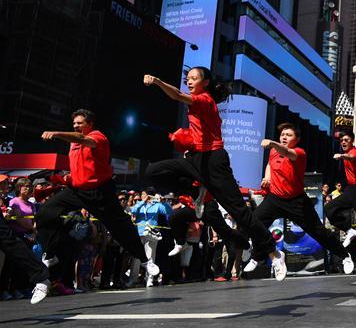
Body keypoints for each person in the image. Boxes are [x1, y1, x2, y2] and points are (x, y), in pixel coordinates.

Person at [142, 68, 283, 279]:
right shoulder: (198, 100)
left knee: (239, 213)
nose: (189, 82)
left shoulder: (205, 100)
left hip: (214, 160)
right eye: (187, 79)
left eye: (194, 79)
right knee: (153, 172)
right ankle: (195, 191)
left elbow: (178, 95)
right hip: (196, 159)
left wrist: (158, 81)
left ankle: (274, 254)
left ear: (205, 82)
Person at [37, 109, 160, 281]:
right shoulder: (72, 144)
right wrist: (63, 179)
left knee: (120, 227)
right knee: (45, 213)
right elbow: (80, 169)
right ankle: (50, 254)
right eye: (74, 123)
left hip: (100, 191)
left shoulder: (98, 137)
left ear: (90, 124)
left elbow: (82, 139)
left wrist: (56, 133)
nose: (75, 126)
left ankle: (145, 260)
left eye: (79, 123)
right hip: (77, 190)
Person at [245, 123, 354, 276]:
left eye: (288, 135)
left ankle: (344, 256)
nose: (284, 137)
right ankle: (267, 256)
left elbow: (287, 152)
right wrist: (267, 176)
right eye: (282, 134)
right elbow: (270, 164)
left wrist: (272, 143)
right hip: (275, 198)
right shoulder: (274, 152)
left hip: (296, 201)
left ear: (297, 139)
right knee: (254, 223)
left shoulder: (299, 152)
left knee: (319, 232)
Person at [0, 175, 50, 304]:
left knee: (8, 241)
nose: (6, 186)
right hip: (20, 233)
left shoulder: (28, 203)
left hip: (25, 235)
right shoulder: (14, 201)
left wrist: (33, 231)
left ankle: (41, 276)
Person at [324, 132, 356, 249]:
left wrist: (341, 156)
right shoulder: (355, 153)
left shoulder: (353, 152)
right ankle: (349, 230)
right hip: (351, 189)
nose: (343, 142)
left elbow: (352, 157)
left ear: (352, 141)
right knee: (329, 208)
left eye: (346, 140)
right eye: (341, 141)